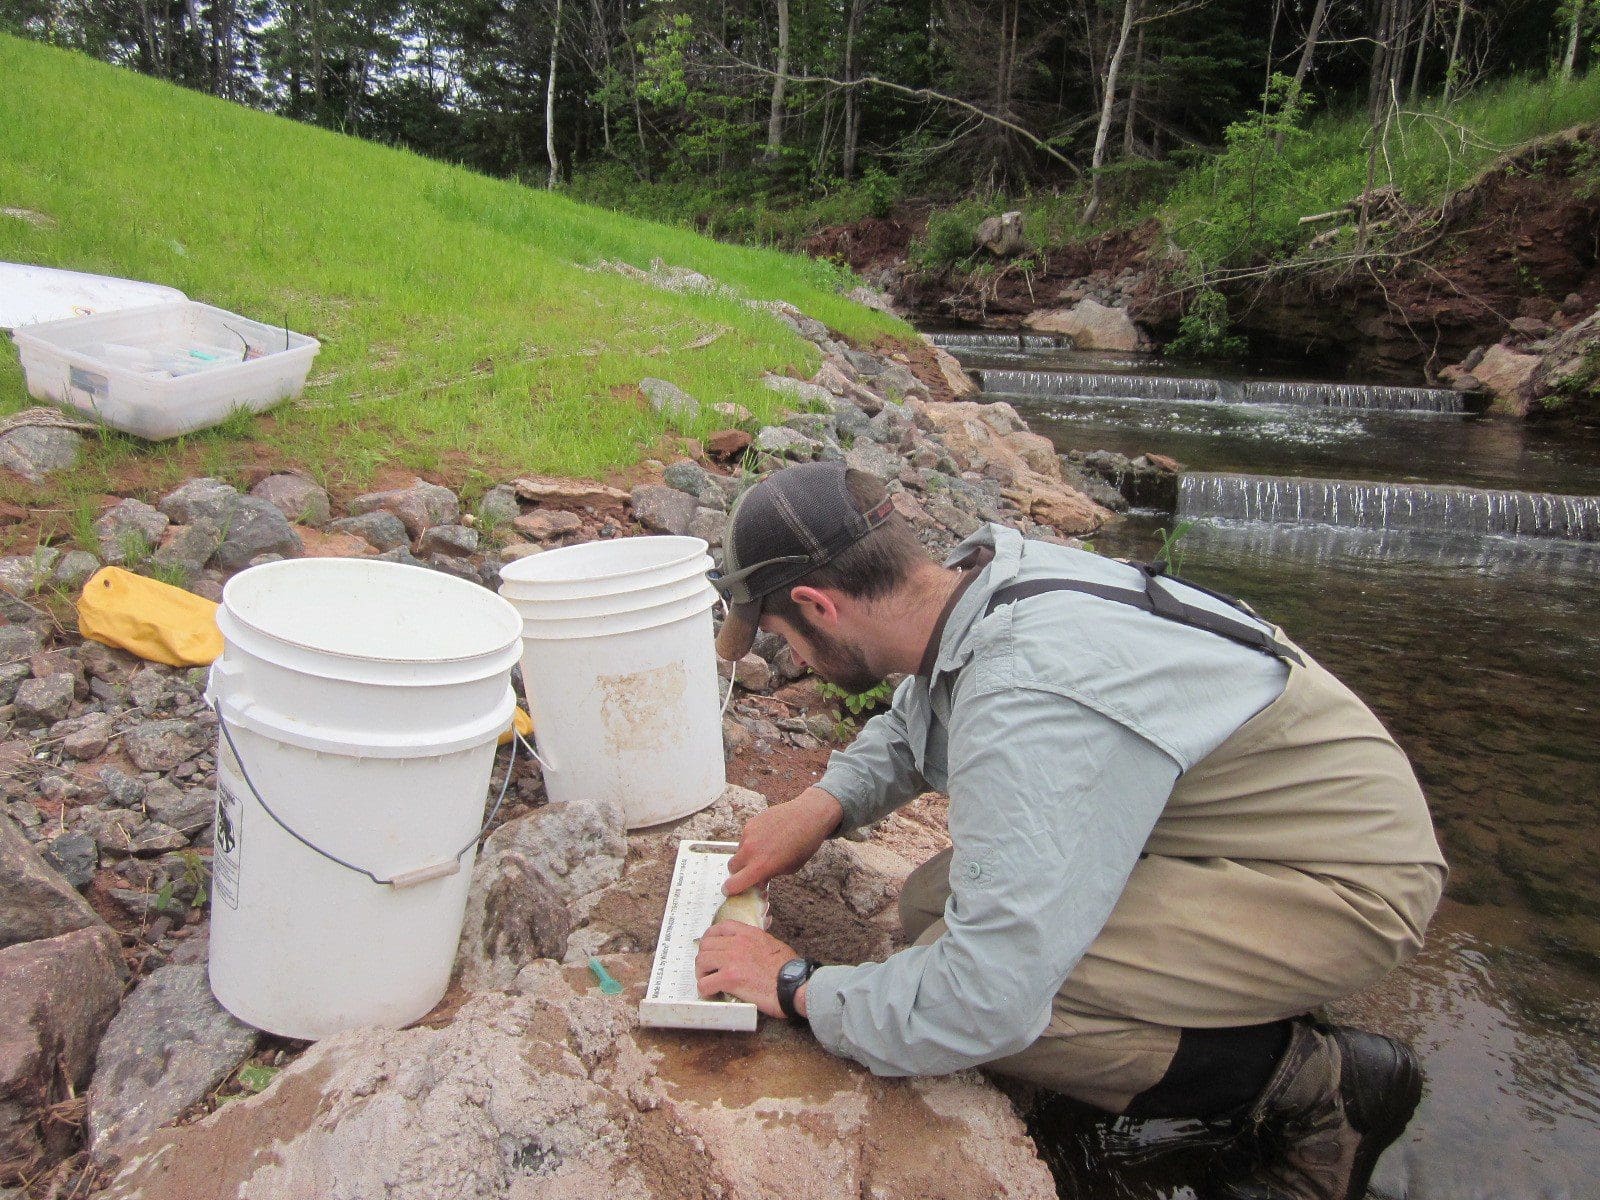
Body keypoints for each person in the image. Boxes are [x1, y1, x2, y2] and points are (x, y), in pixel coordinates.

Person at [695, 461, 1445, 1200]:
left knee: (1001, 1004)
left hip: (1349, 882)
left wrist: (798, 988)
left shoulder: (1025, 693)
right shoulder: (975, 581)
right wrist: (822, 804)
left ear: (817, 605)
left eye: (784, 636)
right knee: (932, 904)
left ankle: (1321, 1085)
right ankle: (1218, 1010)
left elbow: (984, 1001)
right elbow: (926, 707)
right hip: (1257, 830)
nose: (792, 659)